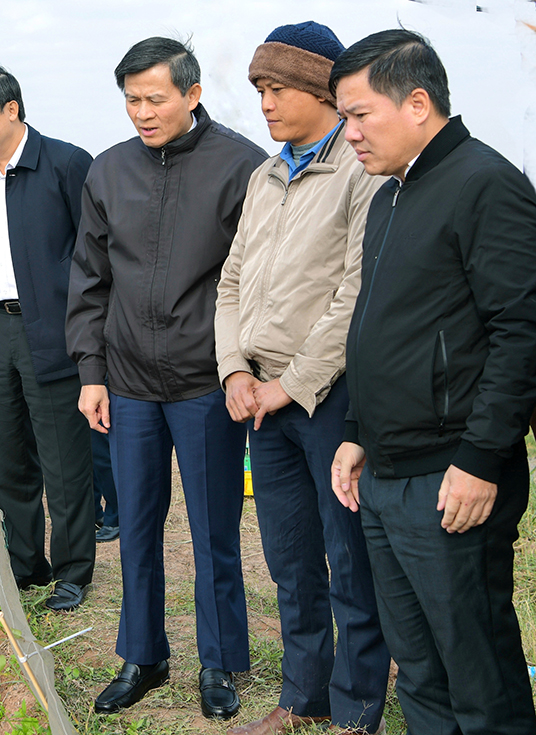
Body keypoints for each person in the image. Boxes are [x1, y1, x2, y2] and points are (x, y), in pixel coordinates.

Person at [329, 29, 536, 735]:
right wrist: (356, 431)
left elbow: (522, 331)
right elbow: (379, 325)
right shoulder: (389, 195)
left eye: (358, 115)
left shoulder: (485, 183)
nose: (347, 133)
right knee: (417, 671)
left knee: (478, 677)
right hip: (388, 475)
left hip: (452, 479)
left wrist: (481, 458)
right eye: (342, 118)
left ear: (417, 102)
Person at [66, 37, 265, 716]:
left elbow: (256, 281)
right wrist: (92, 372)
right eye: (130, 99)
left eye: (155, 98)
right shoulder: (108, 170)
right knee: (137, 525)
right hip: (126, 380)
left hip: (206, 381)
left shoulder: (242, 165)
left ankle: (219, 663)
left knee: (214, 530)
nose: (142, 112)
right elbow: (89, 280)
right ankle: (143, 656)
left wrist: (242, 367)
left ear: (192, 94)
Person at [214, 22, 389, 735]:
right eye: (259, 88)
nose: (266, 102)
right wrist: (233, 368)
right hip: (259, 397)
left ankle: (356, 706)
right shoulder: (264, 175)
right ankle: (302, 694)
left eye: (278, 87)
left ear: (322, 87)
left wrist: (294, 382)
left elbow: (356, 292)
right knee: (289, 558)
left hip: (326, 395)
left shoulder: (358, 170)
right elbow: (230, 282)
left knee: (348, 558)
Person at [0, 65, 96, 611]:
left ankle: (74, 569)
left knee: (62, 457)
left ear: (10, 109)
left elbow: (93, 252)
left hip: (53, 327)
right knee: (8, 454)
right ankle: (24, 563)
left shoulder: (65, 162)